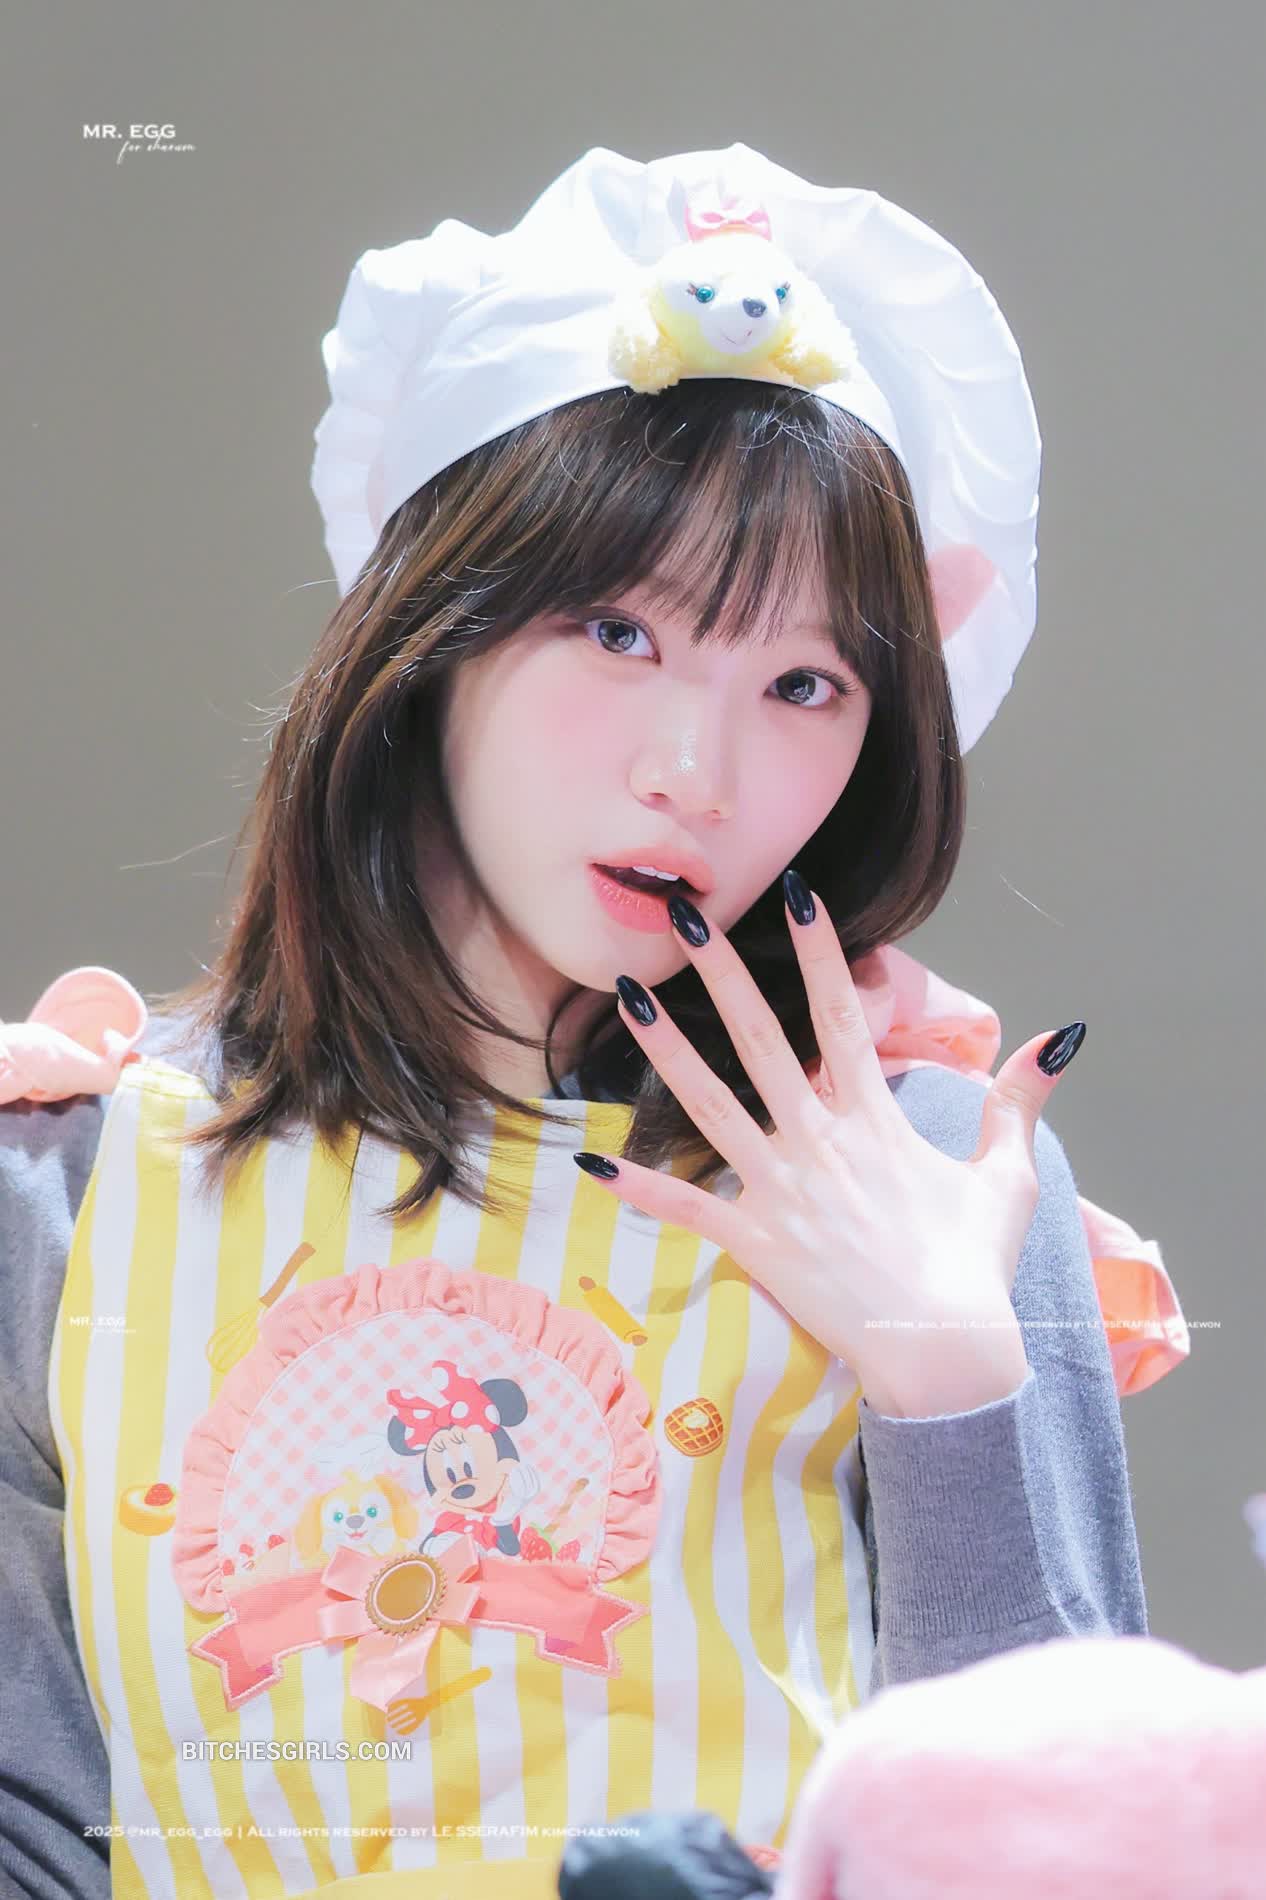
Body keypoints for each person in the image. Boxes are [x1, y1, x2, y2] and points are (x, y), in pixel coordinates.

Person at [0, 143, 1189, 1900]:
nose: (693, 772)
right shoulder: (67, 1191)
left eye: (804, 681)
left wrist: (946, 1373)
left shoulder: (935, 1176)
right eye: (617, 632)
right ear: (428, 638)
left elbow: (1073, 1864)